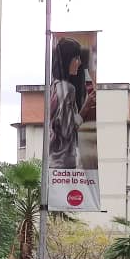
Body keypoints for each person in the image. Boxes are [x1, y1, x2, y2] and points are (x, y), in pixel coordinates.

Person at [49, 36, 95, 169]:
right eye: (76, 58)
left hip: (54, 161)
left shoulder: (54, 86)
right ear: (68, 60)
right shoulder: (68, 90)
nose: (79, 62)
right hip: (65, 162)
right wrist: (85, 108)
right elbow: (67, 129)